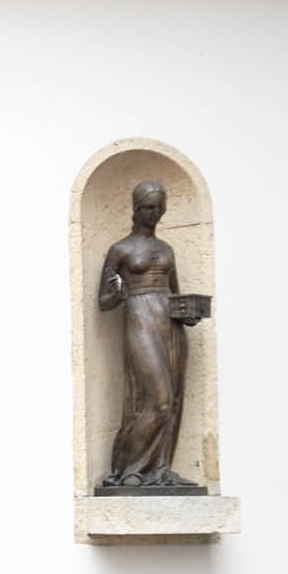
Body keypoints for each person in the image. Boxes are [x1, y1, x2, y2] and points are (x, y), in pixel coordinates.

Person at [98, 179, 202, 489]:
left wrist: (188, 313)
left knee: (173, 399)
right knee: (160, 399)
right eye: (147, 208)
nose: (153, 214)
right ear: (135, 209)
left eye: (158, 208)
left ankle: (159, 469)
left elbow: (175, 292)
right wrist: (117, 294)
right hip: (139, 318)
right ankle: (128, 467)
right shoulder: (120, 249)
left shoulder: (166, 249)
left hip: (169, 322)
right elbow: (103, 301)